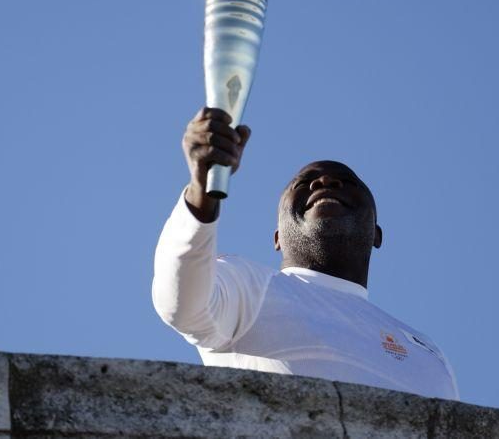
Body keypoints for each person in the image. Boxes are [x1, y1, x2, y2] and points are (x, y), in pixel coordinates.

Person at [151, 107, 459, 400]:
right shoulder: (248, 286)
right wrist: (201, 190)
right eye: (304, 183)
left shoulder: (426, 351)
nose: (325, 182)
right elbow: (182, 305)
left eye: (347, 183)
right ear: (277, 237)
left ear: (376, 234)